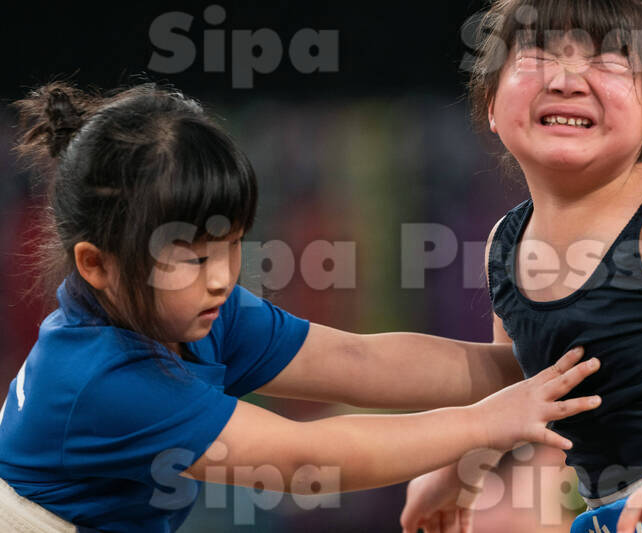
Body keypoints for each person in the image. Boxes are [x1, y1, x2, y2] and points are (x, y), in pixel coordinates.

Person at [0, 82, 606, 533]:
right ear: (97, 265)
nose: (223, 278)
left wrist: (540, 365)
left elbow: (359, 361)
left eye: (232, 246)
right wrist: (486, 423)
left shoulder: (190, 310)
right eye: (192, 257)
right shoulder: (105, 378)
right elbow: (306, 461)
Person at [400, 1, 642, 533]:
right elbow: (525, 392)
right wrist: (459, 471)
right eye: (538, 55)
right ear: (491, 105)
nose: (566, 80)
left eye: (608, 58)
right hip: (631, 517)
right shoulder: (505, 245)